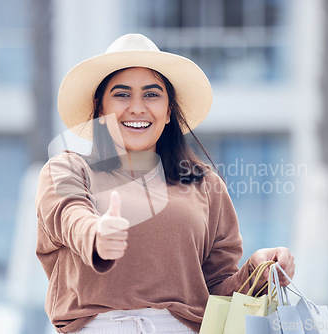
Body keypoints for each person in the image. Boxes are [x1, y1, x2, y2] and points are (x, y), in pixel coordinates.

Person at [35, 34, 295, 334]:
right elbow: (69, 216)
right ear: (100, 107)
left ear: (169, 110)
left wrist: (258, 270)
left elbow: (217, 291)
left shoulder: (205, 184)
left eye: (151, 94)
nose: (137, 107)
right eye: (121, 95)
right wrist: (96, 235)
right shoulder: (67, 169)